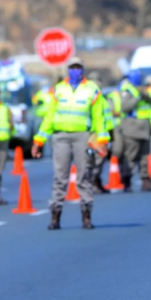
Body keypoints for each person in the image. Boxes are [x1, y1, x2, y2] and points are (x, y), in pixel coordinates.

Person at [31, 58, 108, 230]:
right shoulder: (58, 90)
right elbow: (49, 117)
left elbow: (98, 118)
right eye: (72, 68)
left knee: (84, 176)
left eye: (78, 68)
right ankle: (55, 216)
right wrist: (39, 140)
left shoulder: (92, 90)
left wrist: (102, 140)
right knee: (60, 177)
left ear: (83, 69)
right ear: (67, 70)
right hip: (61, 137)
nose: (75, 71)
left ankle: (86, 216)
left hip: (82, 136)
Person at [120, 68, 151, 192]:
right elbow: (125, 107)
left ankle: (145, 181)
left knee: (144, 157)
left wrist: (144, 95)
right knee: (131, 156)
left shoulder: (145, 89)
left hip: (145, 128)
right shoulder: (127, 91)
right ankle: (127, 181)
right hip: (132, 128)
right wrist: (137, 98)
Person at [86, 71, 114, 194]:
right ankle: (92, 183)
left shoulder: (101, 97)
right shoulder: (90, 97)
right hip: (93, 133)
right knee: (95, 160)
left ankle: (95, 182)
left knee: (98, 159)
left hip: (101, 133)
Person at [32, 79, 54, 157]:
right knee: (41, 135)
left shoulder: (52, 94)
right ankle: (41, 152)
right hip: (41, 117)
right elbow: (34, 101)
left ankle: (51, 153)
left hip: (51, 117)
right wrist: (38, 102)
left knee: (51, 137)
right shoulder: (39, 94)